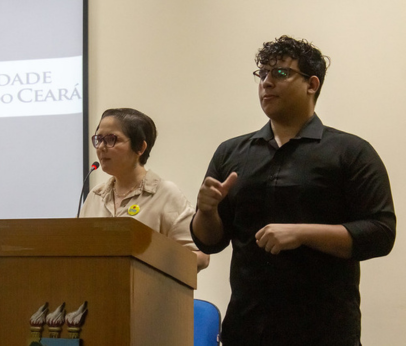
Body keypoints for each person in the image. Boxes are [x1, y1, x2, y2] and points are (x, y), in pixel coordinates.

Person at [191, 36, 396, 345]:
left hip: (325, 331)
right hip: (246, 329)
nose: (266, 83)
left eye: (280, 73)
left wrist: (302, 233)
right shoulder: (231, 152)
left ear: (312, 84)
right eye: (262, 74)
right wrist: (205, 211)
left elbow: (381, 233)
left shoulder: (350, 151)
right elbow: (210, 242)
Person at [80, 108, 210, 271]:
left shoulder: (165, 194)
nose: (101, 147)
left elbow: (200, 257)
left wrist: (149, 260)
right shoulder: (95, 196)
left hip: (150, 293)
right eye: (99, 139)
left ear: (140, 147)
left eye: (111, 139)